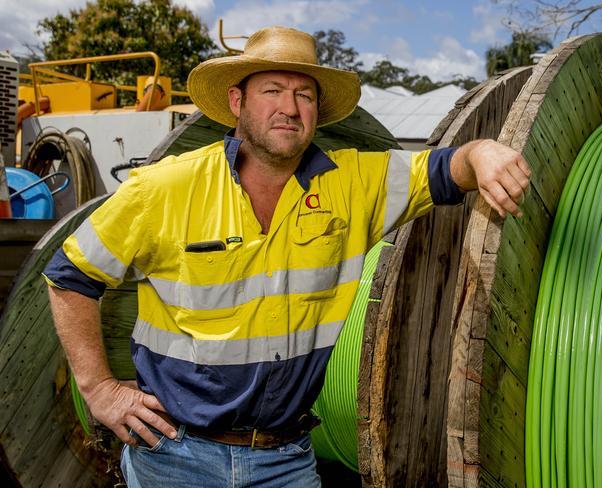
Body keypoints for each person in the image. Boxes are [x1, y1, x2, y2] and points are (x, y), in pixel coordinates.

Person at [44, 26, 530, 487]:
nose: (290, 108)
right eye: (272, 90)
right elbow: (70, 275)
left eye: (304, 95)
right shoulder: (166, 188)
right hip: (175, 455)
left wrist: (484, 152)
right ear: (237, 102)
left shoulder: (354, 183)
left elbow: (446, 169)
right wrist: (100, 390)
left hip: (287, 459)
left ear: (317, 110)